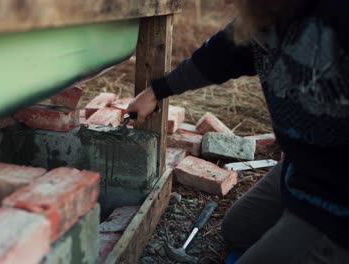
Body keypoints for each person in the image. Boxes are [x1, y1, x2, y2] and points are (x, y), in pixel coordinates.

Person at [127, 0, 349, 263]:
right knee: (237, 229)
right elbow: (218, 56)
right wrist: (156, 91)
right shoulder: (265, 15)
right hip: (301, 170)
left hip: (338, 204)